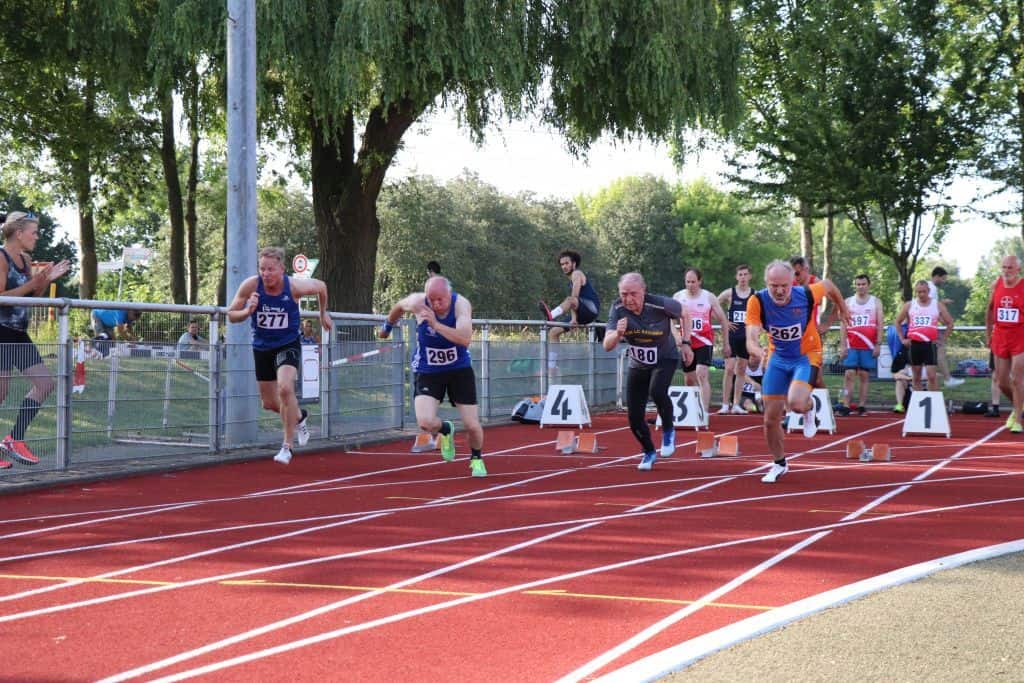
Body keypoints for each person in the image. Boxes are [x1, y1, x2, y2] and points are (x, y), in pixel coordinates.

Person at [746, 260, 849, 483]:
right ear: (766, 283)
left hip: (806, 355)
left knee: (796, 403)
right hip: (777, 358)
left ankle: (809, 408)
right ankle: (779, 464)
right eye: (774, 286)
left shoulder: (807, 294)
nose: (779, 291)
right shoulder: (757, 301)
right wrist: (758, 351)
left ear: (792, 282)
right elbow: (751, 338)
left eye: (784, 285)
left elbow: (829, 285)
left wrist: (843, 308)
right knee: (770, 419)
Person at [226, 246, 331, 464]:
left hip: (287, 344)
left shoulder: (294, 286)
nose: (266, 274)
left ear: (282, 269)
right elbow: (232, 315)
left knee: (285, 388)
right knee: (269, 403)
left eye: (271, 269)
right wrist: (247, 311)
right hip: (262, 347)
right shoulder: (251, 285)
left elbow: (321, 286)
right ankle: (299, 416)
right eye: (262, 269)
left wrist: (323, 314)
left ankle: (286, 446)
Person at [378, 276, 487, 477]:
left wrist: (436, 325)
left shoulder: (461, 305)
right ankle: (445, 429)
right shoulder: (418, 302)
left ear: (449, 294)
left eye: (440, 300)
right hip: (428, 369)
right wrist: (387, 327)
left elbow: (465, 339)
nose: (435, 304)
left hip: (458, 369)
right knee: (425, 422)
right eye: (432, 299)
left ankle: (476, 459)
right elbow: (399, 307)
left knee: (471, 425)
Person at [0, 211, 71, 468]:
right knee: (0, 393)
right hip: (1, 331)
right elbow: (2, 296)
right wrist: (34, 283)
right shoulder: (1, 257)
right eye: (34, 232)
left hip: (19, 333)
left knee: (45, 384)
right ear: (19, 233)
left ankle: (14, 438)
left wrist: (45, 280)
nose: (37, 237)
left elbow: (31, 296)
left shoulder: (26, 259)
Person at [604, 272, 693, 471]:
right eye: (624, 294)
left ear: (643, 291)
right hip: (638, 363)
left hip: (665, 357)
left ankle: (668, 430)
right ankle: (649, 451)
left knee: (657, 391)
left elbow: (686, 313)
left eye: (633, 294)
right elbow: (607, 345)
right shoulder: (617, 309)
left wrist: (686, 343)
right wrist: (618, 334)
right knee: (634, 417)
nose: (628, 299)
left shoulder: (660, 304)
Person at [673, 267, 730, 414]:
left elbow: (723, 320)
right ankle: (692, 410)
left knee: (701, 373)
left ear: (700, 281)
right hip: (687, 343)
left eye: (693, 282)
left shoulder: (708, 297)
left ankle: (704, 412)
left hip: (704, 341)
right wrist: (677, 336)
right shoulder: (678, 297)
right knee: (689, 379)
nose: (690, 285)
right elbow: (669, 320)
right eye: (687, 282)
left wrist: (726, 344)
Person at [538, 250, 601, 374]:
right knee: (553, 332)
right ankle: (551, 367)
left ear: (574, 264)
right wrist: (574, 318)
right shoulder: (570, 281)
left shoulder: (577, 274)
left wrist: (573, 318)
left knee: (570, 299)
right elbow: (574, 302)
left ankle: (551, 315)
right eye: (562, 264)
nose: (564, 266)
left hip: (591, 309)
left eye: (567, 263)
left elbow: (574, 297)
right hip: (581, 311)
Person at [894, 280, 956, 392]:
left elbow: (950, 323)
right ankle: (918, 399)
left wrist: (942, 339)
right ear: (915, 292)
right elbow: (897, 322)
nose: (921, 294)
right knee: (916, 376)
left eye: (924, 291)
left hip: (930, 344)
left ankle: (932, 399)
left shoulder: (937, 305)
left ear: (928, 291)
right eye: (919, 292)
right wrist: (902, 339)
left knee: (931, 376)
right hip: (914, 344)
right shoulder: (909, 305)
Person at [986, 255, 1024, 432]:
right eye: (1004, 267)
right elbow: (989, 310)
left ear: (1018, 270)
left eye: (1010, 267)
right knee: (1001, 382)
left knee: (1017, 379)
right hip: (1000, 337)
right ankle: (1019, 405)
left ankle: (1017, 420)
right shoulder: (996, 284)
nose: (1006, 271)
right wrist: (988, 334)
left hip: (1019, 337)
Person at [837, 274, 884, 416]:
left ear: (868, 285)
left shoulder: (876, 302)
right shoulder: (848, 302)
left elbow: (880, 324)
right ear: (855, 285)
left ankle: (862, 405)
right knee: (849, 374)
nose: (861, 287)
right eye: (858, 284)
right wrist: (843, 345)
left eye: (863, 284)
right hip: (851, 344)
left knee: (864, 375)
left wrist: (878, 344)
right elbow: (843, 324)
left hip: (868, 345)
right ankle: (846, 404)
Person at [717, 264, 753, 414]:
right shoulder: (729, 293)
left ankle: (736, 404)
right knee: (729, 368)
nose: (743, 277)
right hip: (731, 336)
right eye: (740, 275)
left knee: (741, 369)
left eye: (745, 274)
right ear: (736, 277)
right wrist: (725, 321)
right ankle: (725, 404)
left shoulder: (755, 295)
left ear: (750, 276)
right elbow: (713, 305)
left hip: (746, 337)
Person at [927, 266, 964, 388]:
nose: (944, 282)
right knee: (940, 349)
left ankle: (943, 379)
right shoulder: (932, 289)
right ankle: (947, 379)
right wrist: (944, 320)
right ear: (936, 276)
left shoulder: (927, 287)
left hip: (924, 327)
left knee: (936, 353)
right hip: (928, 327)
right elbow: (931, 307)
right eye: (943, 279)